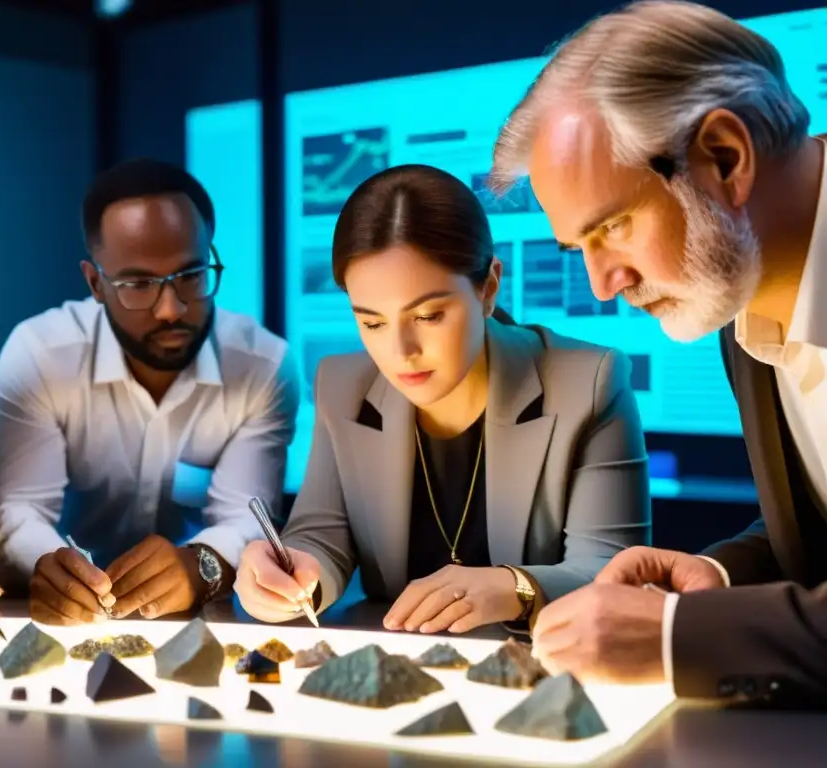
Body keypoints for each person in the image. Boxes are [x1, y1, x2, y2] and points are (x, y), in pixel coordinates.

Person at [489, 0, 827, 702]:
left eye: (613, 226)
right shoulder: (748, 293)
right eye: (579, 247)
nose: (604, 282)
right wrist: (718, 580)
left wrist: (677, 637)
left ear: (725, 158)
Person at [234, 164, 651, 633]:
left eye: (430, 315)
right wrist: (292, 576)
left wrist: (515, 587)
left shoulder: (589, 383)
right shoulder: (342, 384)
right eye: (372, 323)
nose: (401, 353)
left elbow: (613, 570)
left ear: (488, 287)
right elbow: (321, 535)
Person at [0, 159, 300, 626]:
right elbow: (16, 510)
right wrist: (52, 566)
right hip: (65, 622)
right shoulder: (41, 355)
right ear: (95, 283)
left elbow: (246, 517)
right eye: (137, 283)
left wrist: (200, 564)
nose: (171, 310)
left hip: (204, 621)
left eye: (191, 275)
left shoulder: (264, 366)